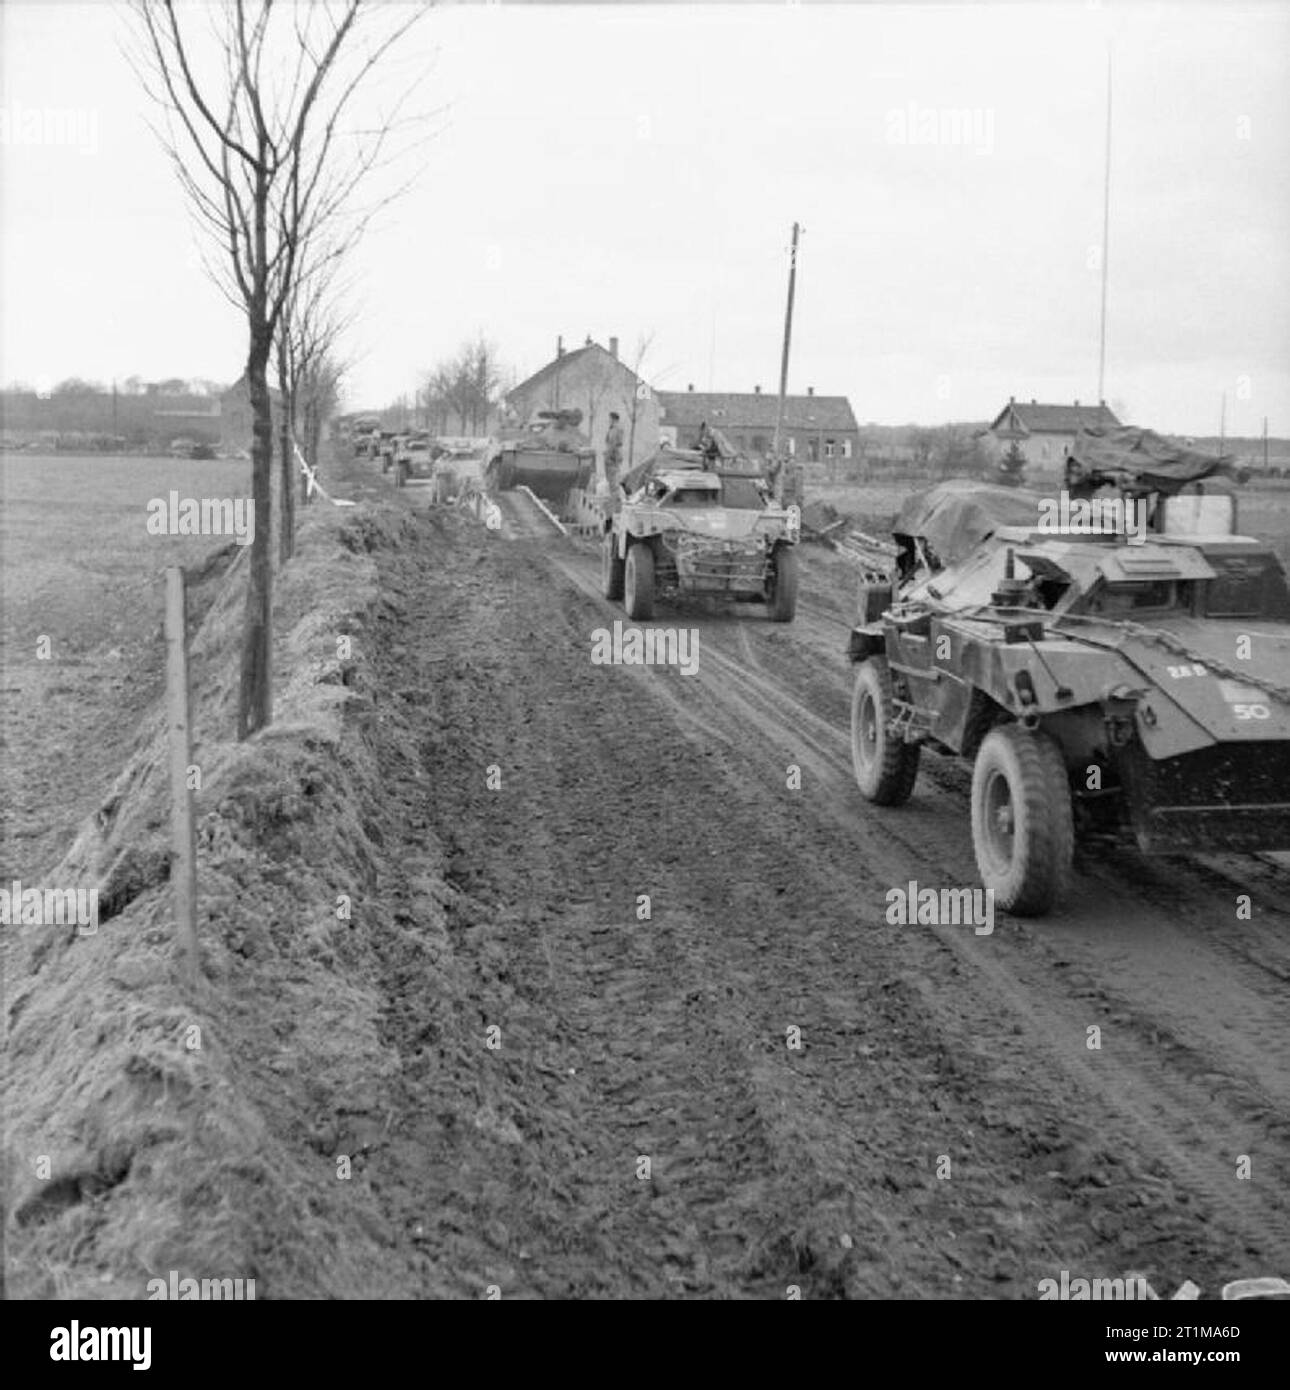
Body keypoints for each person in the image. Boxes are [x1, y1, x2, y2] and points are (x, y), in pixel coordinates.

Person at [603, 411, 624, 488]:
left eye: (610, 419)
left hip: (613, 456)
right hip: (614, 455)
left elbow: (613, 443)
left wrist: (608, 455)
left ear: (613, 419)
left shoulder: (615, 429)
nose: (609, 421)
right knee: (614, 477)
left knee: (613, 478)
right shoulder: (615, 428)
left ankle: (615, 497)